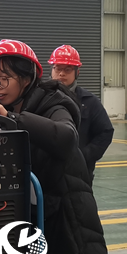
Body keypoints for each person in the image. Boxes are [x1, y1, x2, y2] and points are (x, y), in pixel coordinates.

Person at [0, 39, 113, 254]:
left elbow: (66, 136)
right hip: (35, 220)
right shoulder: (4, 106)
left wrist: (13, 118)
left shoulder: (53, 101)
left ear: (26, 79)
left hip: (69, 221)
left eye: (5, 79)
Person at [49, 45, 113, 178]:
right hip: (47, 172)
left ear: (77, 72)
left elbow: (105, 132)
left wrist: (84, 156)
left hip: (79, 174)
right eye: (58, 68)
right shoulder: (41, 98)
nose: (61, 73)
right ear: (52, 69)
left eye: (68, 69)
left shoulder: (89, 102)